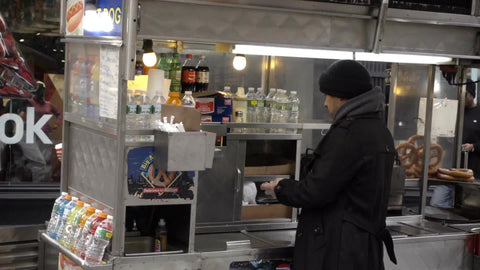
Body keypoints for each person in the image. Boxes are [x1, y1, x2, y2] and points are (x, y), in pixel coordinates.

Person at [261, 60, 397, 270]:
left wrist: (280, 188)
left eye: (328, 95)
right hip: (362, 249)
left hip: (337, 252)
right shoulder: (381, 131)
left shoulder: (349, 134)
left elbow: (316, 191)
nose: (325, 103)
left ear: (341, 96)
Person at [461, 79, 480, 178]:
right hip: (450, 168)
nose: (461, 98)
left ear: (472, 95)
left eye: (465, 94)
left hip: (473, 172)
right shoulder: (455, 112)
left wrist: (473, 146)